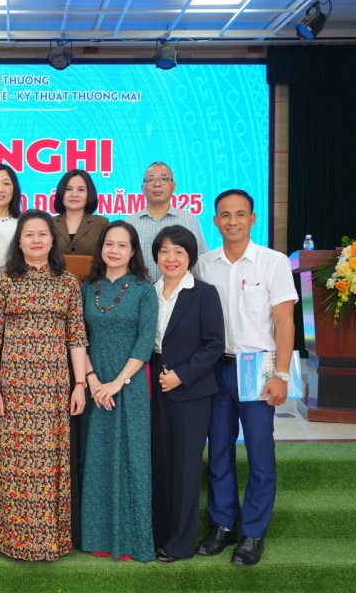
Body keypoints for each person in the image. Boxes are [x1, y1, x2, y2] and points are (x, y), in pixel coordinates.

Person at [193, 189, 297, 567]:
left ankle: (253, 532)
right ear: (215, 221)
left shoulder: (273, 262)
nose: (232, 221)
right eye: (225, 215)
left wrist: (281, 374)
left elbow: (285, 322)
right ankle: (223, 525)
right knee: (218, 451)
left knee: (259, 452)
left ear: (253, 219)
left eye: (240, 214)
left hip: (259, 367)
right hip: (216, 368)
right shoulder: (204, 266)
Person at [0, 208, 88, 562]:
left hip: (54, 388)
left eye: (43, 233)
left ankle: (51, 539)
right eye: (28, 234)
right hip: (13, 388)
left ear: (52, 240)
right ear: (19, 241)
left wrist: (79, 384)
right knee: (15, 463)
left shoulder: (67, 282)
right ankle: (12, 539)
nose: (36, 240)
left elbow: (76, 337)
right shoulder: (5, 282)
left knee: (49, 463)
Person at [79, 220, 157, 562]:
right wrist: (93, 380)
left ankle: (131, 540)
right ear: (101, 248)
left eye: (122, 245)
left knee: (131, 458)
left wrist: (117, 382)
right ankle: (96, 537)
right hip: (94, 384)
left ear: (133, 250)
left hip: (130, 383)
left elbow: (145, 341)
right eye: (109, 244)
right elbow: (78, 338)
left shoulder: (143, 289)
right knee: (96, 458)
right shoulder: (87, 288)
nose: (114, 250)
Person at [149, 224, 225, 564]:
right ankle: (157, 536)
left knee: (185, 468)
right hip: (153, 389)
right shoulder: (148, 291)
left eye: (179, 251)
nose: (171, 258)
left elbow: (214, 344)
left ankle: (180, 543)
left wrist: (182, 375)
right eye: (164, 251)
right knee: (159, 465)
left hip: (191, 392)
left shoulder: (204, 293)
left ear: (190, 257)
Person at [125, 161, 208, 283]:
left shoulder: (188, 219)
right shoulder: (130, 222)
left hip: (180, 291)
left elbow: (200, 260)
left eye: (164, 179)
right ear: (142, 188)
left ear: (173, 186)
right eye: (150, 179)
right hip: (139, 291)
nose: (157, 184)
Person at [52, 169, 108, 256]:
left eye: (81, 190)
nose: (74, 194)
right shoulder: (49, 223)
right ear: (61, 192)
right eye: (68, 189)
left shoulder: (101, 223)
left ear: (89, 193)